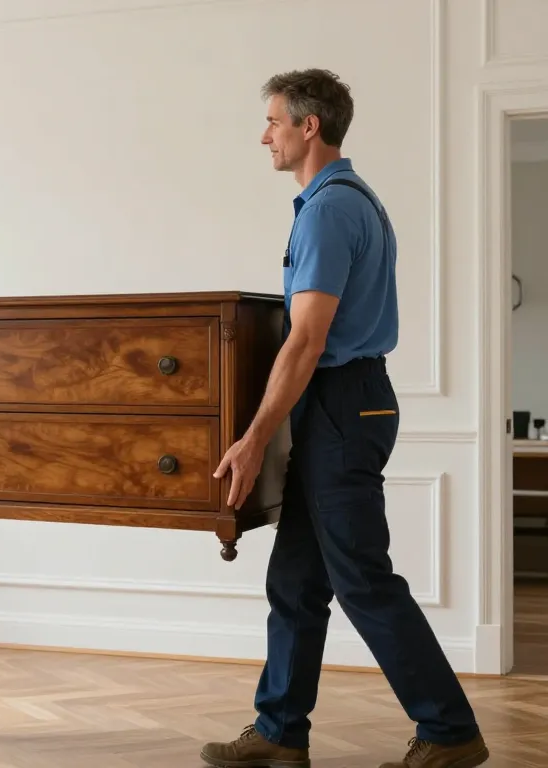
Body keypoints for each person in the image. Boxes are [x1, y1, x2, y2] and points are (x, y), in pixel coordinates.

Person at [200, 70, 489, 768]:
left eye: (273, 121)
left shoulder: (329, 209)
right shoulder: (342, 200)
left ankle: (450, 732)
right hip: (346, 402)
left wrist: (253, 438)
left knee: (361, 577)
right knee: (297, 580)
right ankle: (279, 732)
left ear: (309, 126)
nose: (263, 134)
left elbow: (306, 338)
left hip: (341, 403)